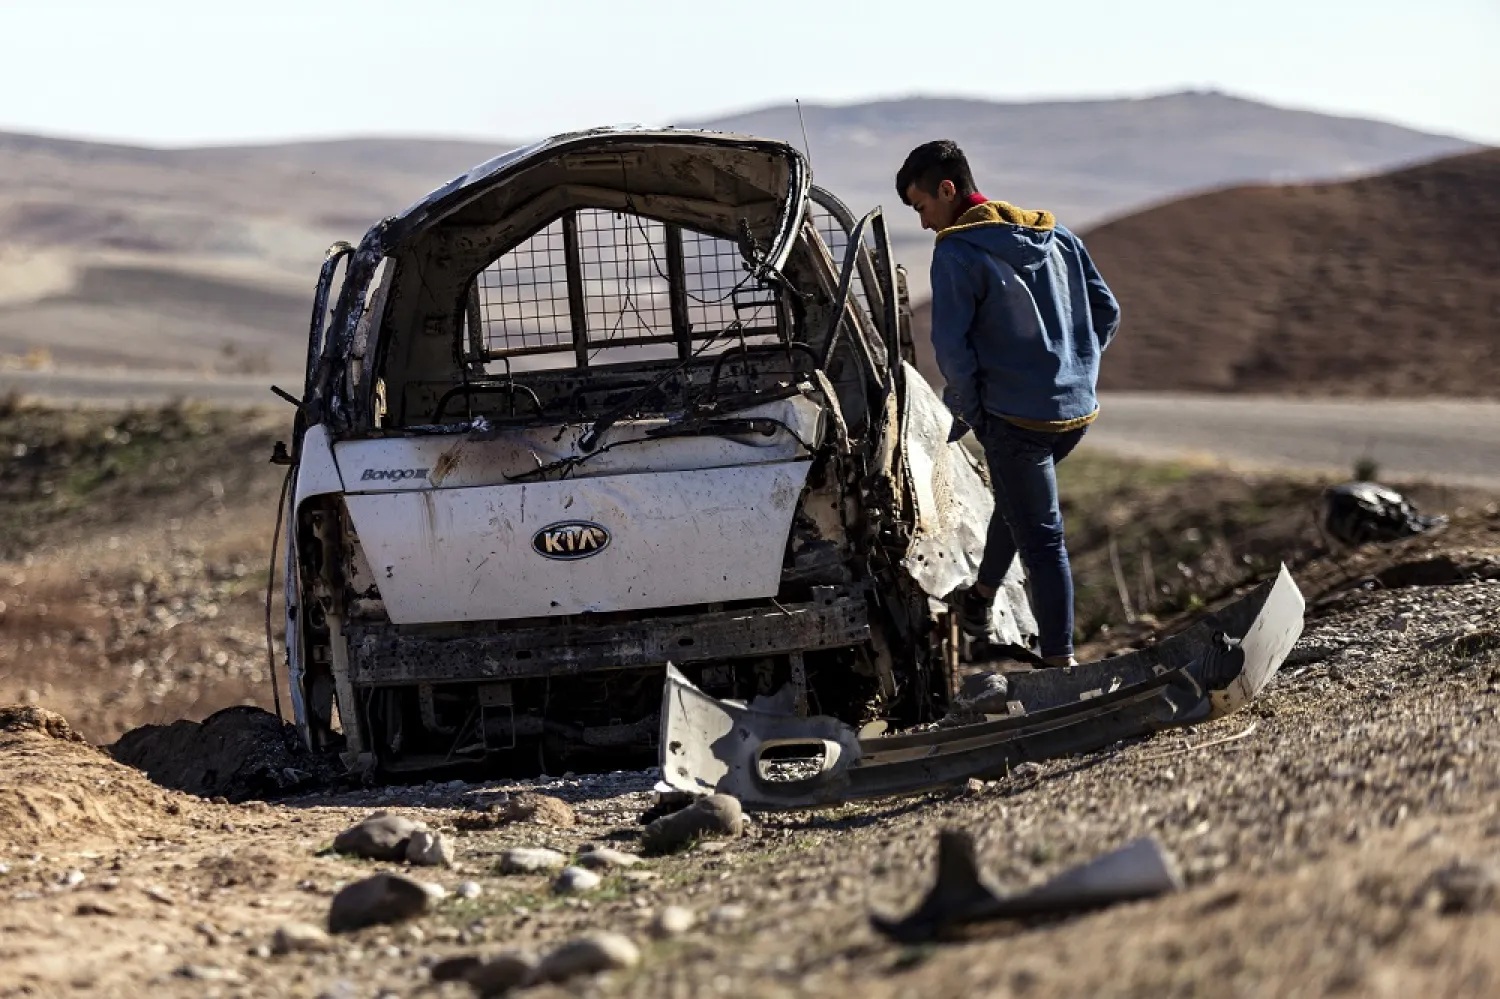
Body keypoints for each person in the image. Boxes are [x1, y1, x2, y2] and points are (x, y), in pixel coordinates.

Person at [895, 139, 1121, 668]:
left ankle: (1061, 665)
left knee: (1043, 542)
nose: (926, 223)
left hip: (1015, 421)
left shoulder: (956, 251)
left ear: (948, 191)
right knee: (1020, 508)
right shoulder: (1057, 235)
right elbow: (1106, 312)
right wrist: (1075, 369)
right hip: (1074, 414)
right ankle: (980, 599)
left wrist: (972, 410)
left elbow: (952, 349)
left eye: (923, 207)